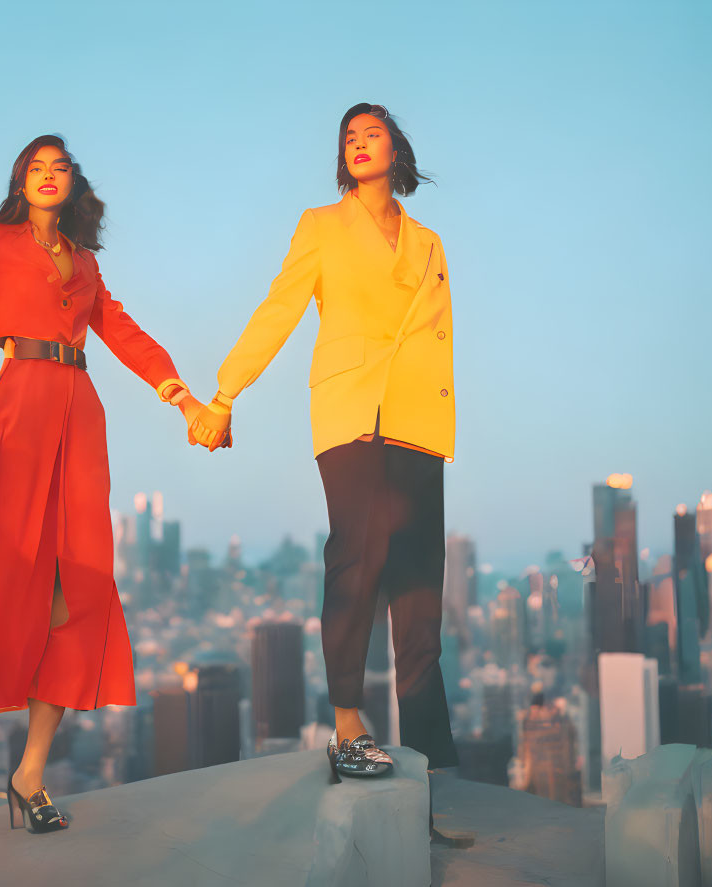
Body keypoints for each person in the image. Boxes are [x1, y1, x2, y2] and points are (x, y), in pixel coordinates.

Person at [0, 135, 204, 834]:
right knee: (7, 576)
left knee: (78, 591)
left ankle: (29, 772)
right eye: (35, 166)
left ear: (72, 184)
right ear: (19, 181)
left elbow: (122, 332)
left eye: (58, 167)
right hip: (17, 409)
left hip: (80, 415)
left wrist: (178, 394)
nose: (47, 175)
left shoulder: (86, 262)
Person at [191, 103, 460, 784]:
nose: (359, 143)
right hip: (353, 413)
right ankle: (347, 723)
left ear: (396, 150)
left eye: (372, 134)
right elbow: (279, 309)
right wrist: (225, 392)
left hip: (420, 423)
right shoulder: (322, 226)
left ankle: (435, 756)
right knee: (357, 565)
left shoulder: (428, 241)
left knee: (420, 592)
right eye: (350, 137)